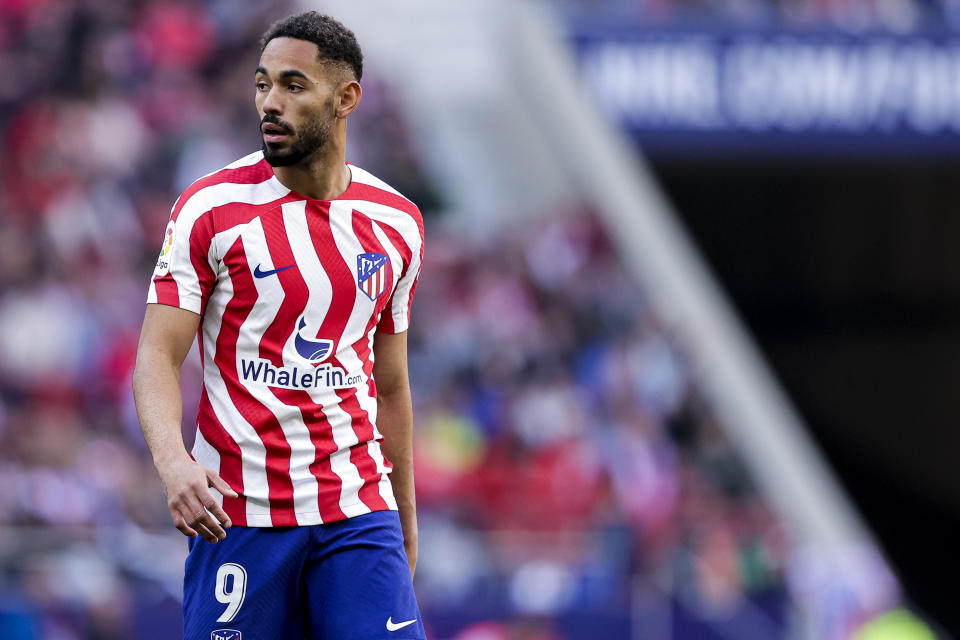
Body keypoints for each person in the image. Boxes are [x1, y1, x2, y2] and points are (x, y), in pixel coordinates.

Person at [131, 12, 426, 640]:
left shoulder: (396, 223)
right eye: (263, 84)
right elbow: (157, 354)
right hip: (241, 514)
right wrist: (174, 463)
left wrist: (404, 518)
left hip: (356, 510)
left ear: (346, 99)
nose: (270, 102)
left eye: (293, 85)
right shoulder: (210, 210)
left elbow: (392, 387)